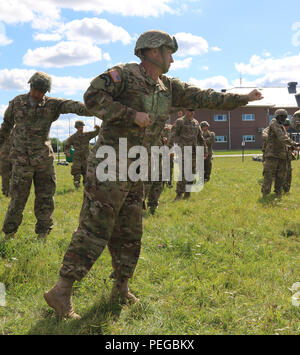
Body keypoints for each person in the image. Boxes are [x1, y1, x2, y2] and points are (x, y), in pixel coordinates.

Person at [44, 30, 263, 319]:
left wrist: (242, 98)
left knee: (131, 230)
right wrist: (130, 115)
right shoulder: (124, 75)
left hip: (137, 166)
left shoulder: (168, 86)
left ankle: (120, 287)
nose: (172, 58)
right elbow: (92, 96)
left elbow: (204, 95)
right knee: (96, 227)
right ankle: (61, 291)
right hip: (111, 160)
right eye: (169, 51)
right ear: (153, 51)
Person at [0, 72, 92, 241]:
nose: (38, 94)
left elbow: (74, 106)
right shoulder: (17, 103)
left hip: (43, 160)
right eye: (36, 89)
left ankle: (42, 234)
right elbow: (5, 126)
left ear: (46, 91)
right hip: (21, 161)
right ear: (30, 86)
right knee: (17, 199)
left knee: (45, 198)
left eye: (42, 91)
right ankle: (9, 234)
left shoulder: (52, 104)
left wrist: (99, 109)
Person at [261, 109, 300, 197]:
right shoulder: (274, 123)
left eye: (285, 117)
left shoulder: (280, 126)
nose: (283, 119)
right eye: (282, 117)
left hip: (282, 155)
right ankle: (265, 193)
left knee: (281, 176)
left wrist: (292, 147)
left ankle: (278, 193)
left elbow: (284, 139)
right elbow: (282, 137)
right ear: (277, 116)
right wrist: (294, 144)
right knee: (269, 175)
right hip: (272, 154)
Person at [173, 109, 207, 200]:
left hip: (194, 152)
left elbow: (200, 138)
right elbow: (173, 135)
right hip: (183, 151)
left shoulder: (196, 122)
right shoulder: (180, 121)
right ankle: (179, 194)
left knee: (192, 172)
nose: (192, 112)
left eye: (193, 111)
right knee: (184, 172)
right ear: (185, 111)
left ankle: (187, 193)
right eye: (189, 110)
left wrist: (205, 150)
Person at [64, 121, 100, 189]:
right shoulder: (73, 137)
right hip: (77, 157)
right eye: (80, 127)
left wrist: (98, 128)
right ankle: (77, 184)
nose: (82, 128)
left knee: (86, 171)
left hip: (86, 156)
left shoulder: (87, 135)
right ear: (77, 127)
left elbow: (96, 133)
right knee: (76, 170)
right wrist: (67, 152)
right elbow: (66, 145)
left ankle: (86, 185)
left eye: (82, 127)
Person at [283, 119, 296, 193]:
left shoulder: (287, 134)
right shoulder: (278, 134)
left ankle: (286, 190)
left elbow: (288, 145)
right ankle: (280, 189)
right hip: (280, 157)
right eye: (285, 125)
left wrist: (293, 149)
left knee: (288, 173)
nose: (286, 127)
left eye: (287, 126)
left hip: (287, 157)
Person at [0, 132, 13, 197]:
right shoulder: (2, 132)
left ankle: (11, 191)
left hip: (13, 157)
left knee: (13, 174)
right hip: (4, 157)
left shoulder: (15, 133)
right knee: (5, 176)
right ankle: (5, 191)